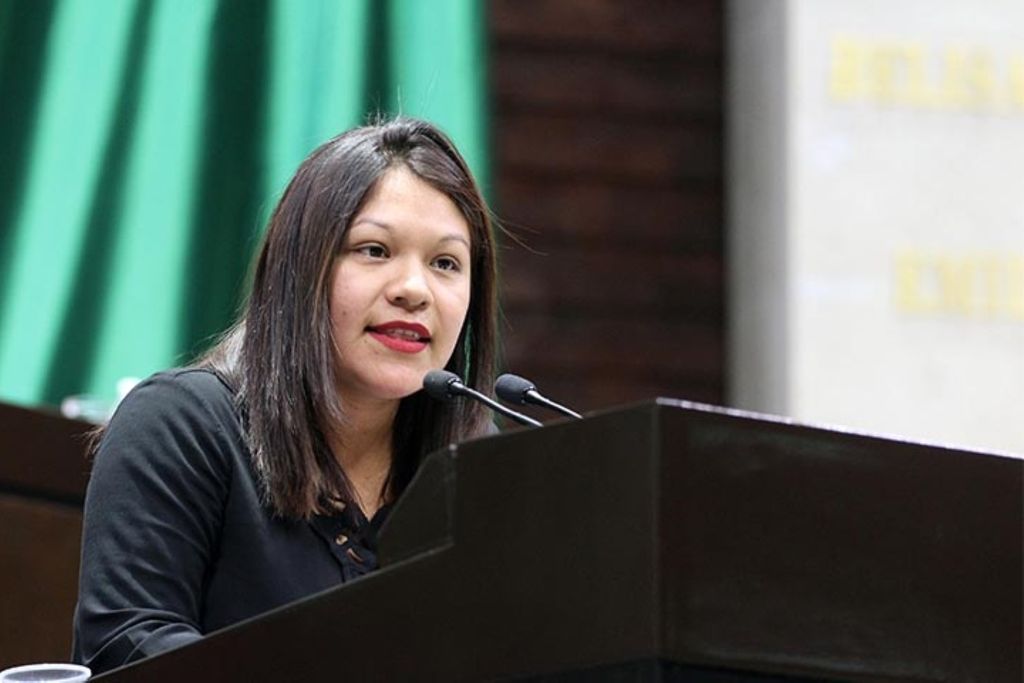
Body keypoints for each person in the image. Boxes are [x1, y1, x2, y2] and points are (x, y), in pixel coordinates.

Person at [72, 117, 499, 674]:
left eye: (445, 263)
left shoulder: (473, 461)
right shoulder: (179, 427)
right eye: (374, 250)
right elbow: (128, 647)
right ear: (301, 270)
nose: (413, 290)